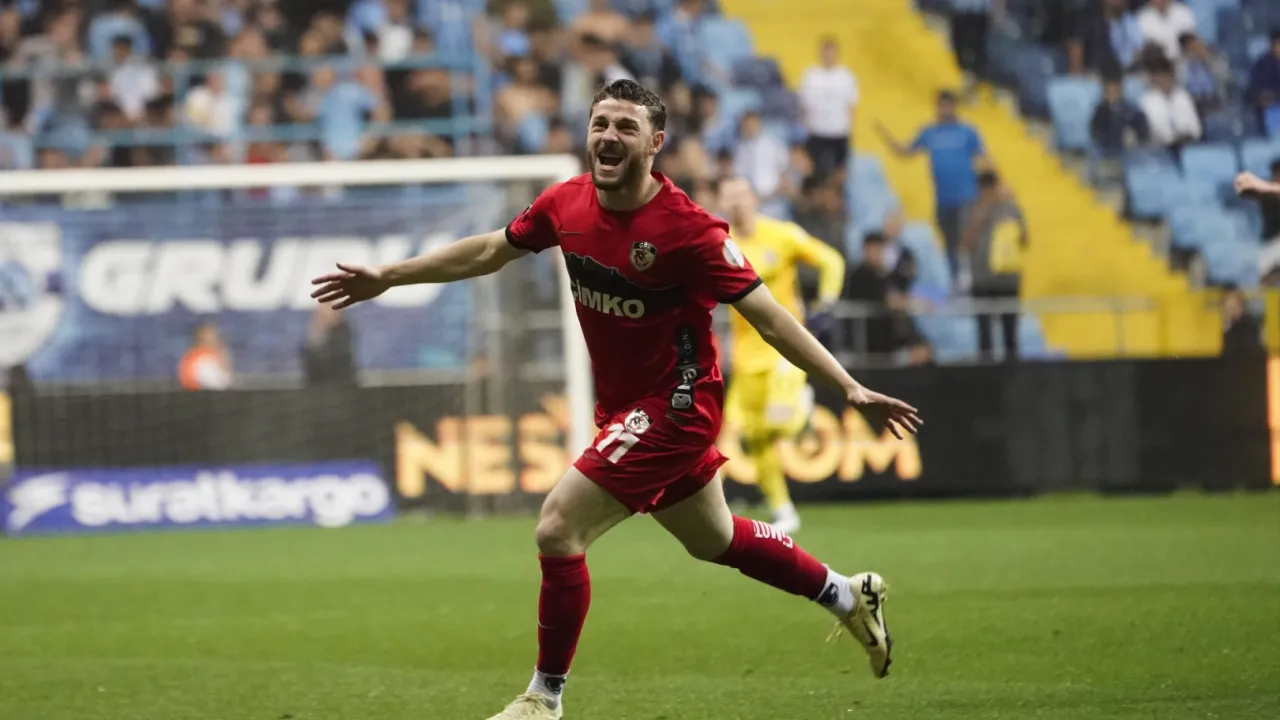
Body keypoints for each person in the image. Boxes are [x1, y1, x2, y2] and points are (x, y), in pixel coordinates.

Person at [311, 79, 920, 720]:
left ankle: (543, 698)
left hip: (678, 405)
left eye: (627, 127)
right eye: (600, 123)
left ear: (655, 143)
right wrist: (390, 276)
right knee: (715, 540)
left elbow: (768, 317)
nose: (608, 136)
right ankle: (847, 594)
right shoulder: (565, 202)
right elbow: (491, 249)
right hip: (626, 405)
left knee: (558, 526)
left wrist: (848, 386)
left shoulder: (691, 231)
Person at [718, 176, 846, 536]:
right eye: (729, 197)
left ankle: (802, 411)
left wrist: (826, 304)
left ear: (754, 198)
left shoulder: (782, 235)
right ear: (722, 203)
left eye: (742, 194)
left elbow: (832, 261)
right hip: (746, 357)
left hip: (785, 349)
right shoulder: (719, 244)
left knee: (778, 421)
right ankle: (783, 509)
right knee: (753, 438)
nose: (737, 202)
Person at [876, 91, 987, 283]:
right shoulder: (930, 133)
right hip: (943, 198)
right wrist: (887, 138)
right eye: (941, 105)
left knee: (966, 235)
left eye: (948, 105)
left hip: (966, 195)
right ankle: (954, 279)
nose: (944, 109)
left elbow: (984, 158)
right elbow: (905, 151)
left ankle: (971, 275)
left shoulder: (966, 132)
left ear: (954, 107)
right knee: (948, 240)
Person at [962, 171, 1028, 362]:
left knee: (1011, 334)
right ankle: (986, 373)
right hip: (982, 280)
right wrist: (978, 219)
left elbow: (1024, 240)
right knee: (984, 336)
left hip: (1007, 280)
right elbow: (965, 245)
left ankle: (1012, 371)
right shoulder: (971, 209)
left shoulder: (1011, 209)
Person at [798, 36, 858, 181]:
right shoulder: (810, 75)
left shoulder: (846, 76)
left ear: (837, 53)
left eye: (831, 52)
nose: (828, 55)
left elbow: (851, 105)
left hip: (839, 133)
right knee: (816, 175)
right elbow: (803, 105)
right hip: (816, 132)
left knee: (838, 176)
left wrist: (849, 129)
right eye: (825, 52)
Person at [302, 303, 355, 386]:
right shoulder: (314, 334)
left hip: (340, 385)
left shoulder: (343, 333)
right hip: (317, 385)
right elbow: (310, 366)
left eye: (324, 315)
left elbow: (334, 361)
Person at [178, 321, 232, 391]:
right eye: (212, 340)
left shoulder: (196, 357)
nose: (217, 343)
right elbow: (220, 385)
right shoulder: (204, 361)